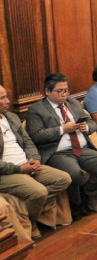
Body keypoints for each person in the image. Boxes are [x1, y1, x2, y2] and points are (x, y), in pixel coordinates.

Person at [26, 73, 97, 221]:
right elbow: (36, 136)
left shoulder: (72, 103)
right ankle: (76, 205)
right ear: (47, 91)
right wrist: (62, 129)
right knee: (73, 173)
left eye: (66, 90)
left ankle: (87, 197)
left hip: (82, 148)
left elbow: (92, 122)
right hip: (58, 152)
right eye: (59, 91)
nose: (64, 94)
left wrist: (86, 127)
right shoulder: (36, 110)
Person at [0, 85, 71, 238]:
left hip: (27, 164)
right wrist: (20, 169)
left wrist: (35, 159)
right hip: (6, 173)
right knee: (39, 192)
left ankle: (30, 211)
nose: (8, 101)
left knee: (63, 179)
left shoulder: (10, 117)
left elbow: (27, 142)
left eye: (6, 96)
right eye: (2, 98)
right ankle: (32, 222)